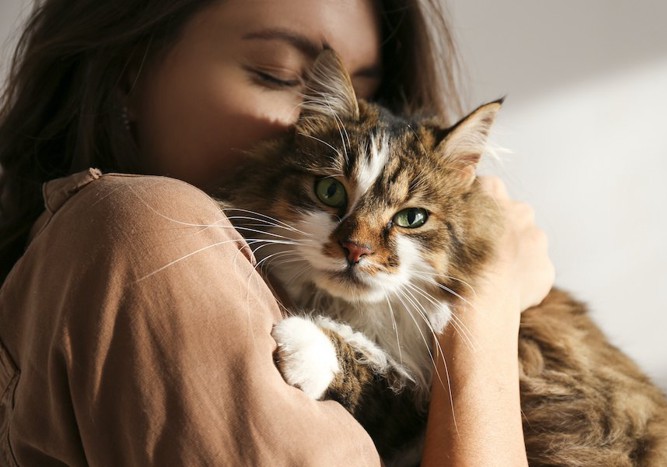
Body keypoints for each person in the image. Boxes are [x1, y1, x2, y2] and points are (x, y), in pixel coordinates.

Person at [0, 0, 554, 465]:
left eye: (365, 93)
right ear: (126, 72)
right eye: (282, 76)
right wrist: (486, 307)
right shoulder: (148, 228)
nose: (321, 125)